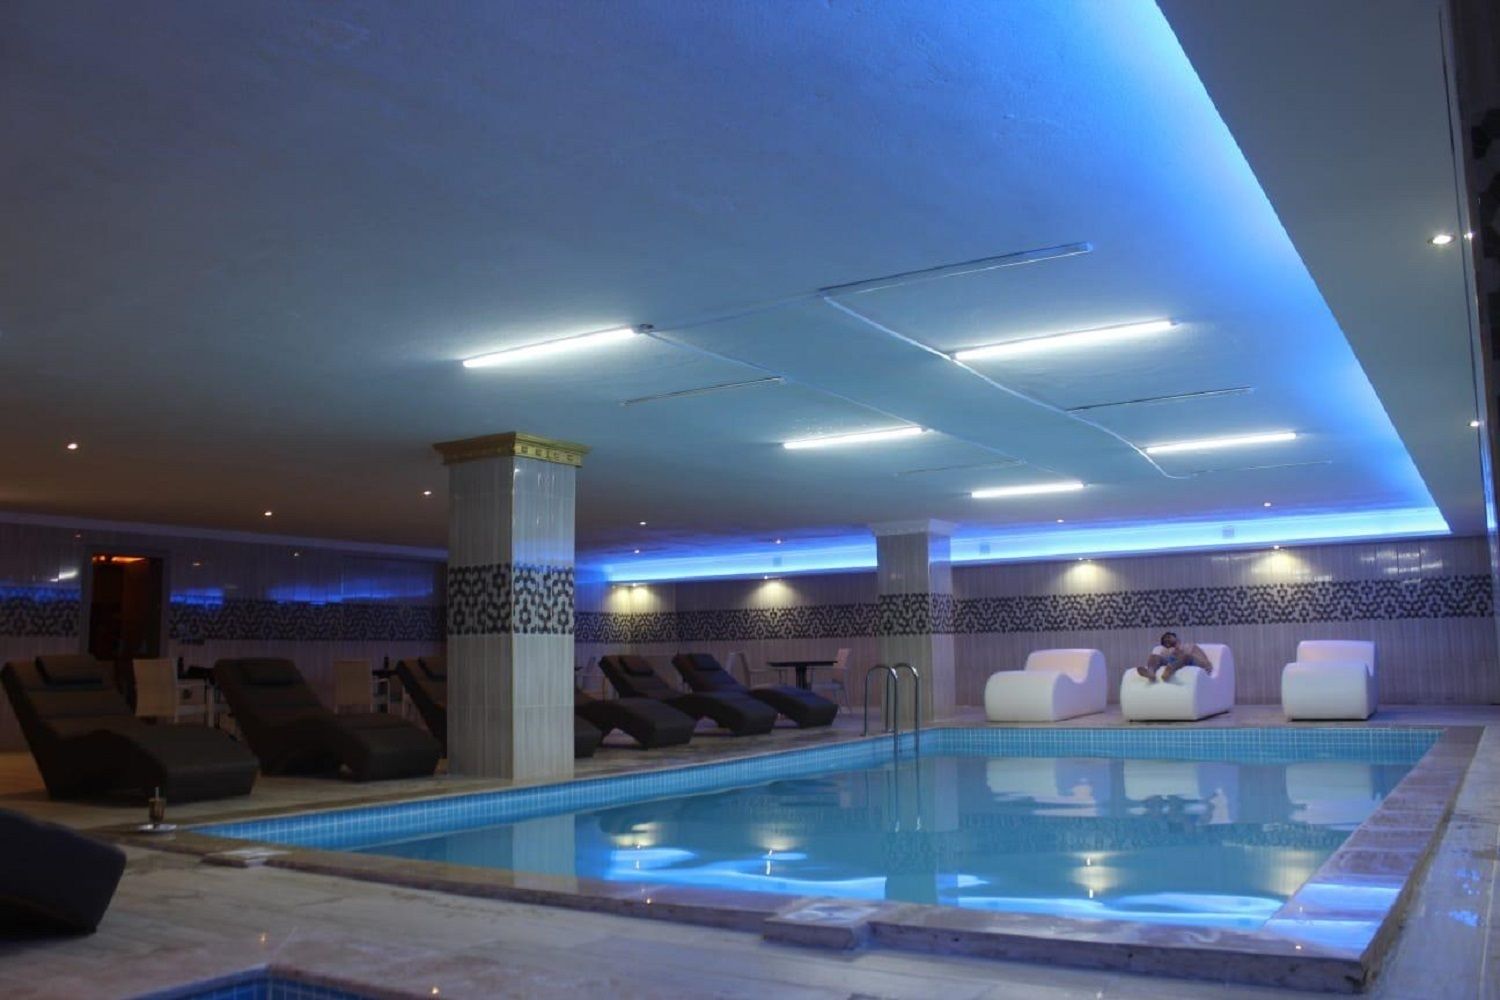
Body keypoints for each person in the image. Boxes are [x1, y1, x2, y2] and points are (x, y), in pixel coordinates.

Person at [1134, 631, 1210, 681]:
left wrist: (1182, 653)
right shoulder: (1165, 651)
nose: (1166, 639)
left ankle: (1170, 669)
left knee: (1186, 656)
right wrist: (1172, 653)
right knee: (1154, 656)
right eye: (1164, 641)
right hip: (1174, 662)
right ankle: (1150, 673)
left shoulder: (1190, 647)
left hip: (1192, 663)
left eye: (1168, 637)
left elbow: (1205, 663)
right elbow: (1160, 660)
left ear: (1176, 638)